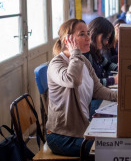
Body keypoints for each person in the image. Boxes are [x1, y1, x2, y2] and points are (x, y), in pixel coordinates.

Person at [46, 18, 117, 157]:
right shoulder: (56, 64)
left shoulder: (83, 60)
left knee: (116, 140)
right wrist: (75, 53)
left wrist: (123, 97)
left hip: (81, 129)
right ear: (68, 40)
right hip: (62, 137)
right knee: (109, 150)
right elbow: (72, 80)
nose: (88, 38)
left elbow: (98, 89)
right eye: (82, 34)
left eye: (88, 33)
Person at [82, 17, 118, 118]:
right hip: (90, 101)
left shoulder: (95, 52)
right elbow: (93, 85)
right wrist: (113, 80)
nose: (106, 42)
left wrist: (122, 69)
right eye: (106, 38)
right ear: (95, 33)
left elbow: (108, 65)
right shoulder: (86, 55)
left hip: (97, 95)